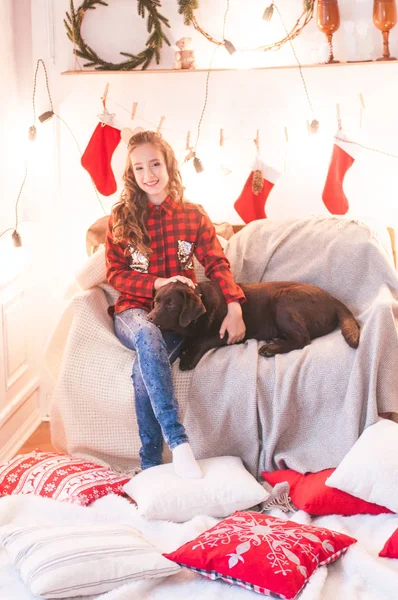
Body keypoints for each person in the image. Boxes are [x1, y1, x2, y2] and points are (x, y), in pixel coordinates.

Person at [105, 130, 246, 478]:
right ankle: (179, 443)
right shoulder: (121, 217)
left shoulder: (192, 215)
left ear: (169, 165)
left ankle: (150, 464)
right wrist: (157, 282)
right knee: (147, 336)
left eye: (155, 164)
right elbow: (115, 274)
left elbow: (216, 263)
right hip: (134, 310)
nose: (149, 175)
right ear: (131, 175)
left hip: (176, 317)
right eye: (139, 168)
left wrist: (234, 304)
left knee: (144, 372)